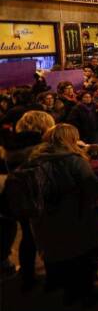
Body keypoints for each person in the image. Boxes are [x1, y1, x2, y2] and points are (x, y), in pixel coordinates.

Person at [27, 124, 98, 305]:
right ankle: (81, 294)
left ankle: (58, 286)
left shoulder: (35, 158)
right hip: (74, 215)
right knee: (79, 255)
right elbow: (93, 188)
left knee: (56, 251)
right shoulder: (74, 160)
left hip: (44, 216)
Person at [1, 110, 55, 291]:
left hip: (18, 197)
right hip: (38, 195)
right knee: (46, 236)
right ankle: (51, 278)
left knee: (27, 235)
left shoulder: (11, 144)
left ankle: (27, 275)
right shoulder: (40, 146)